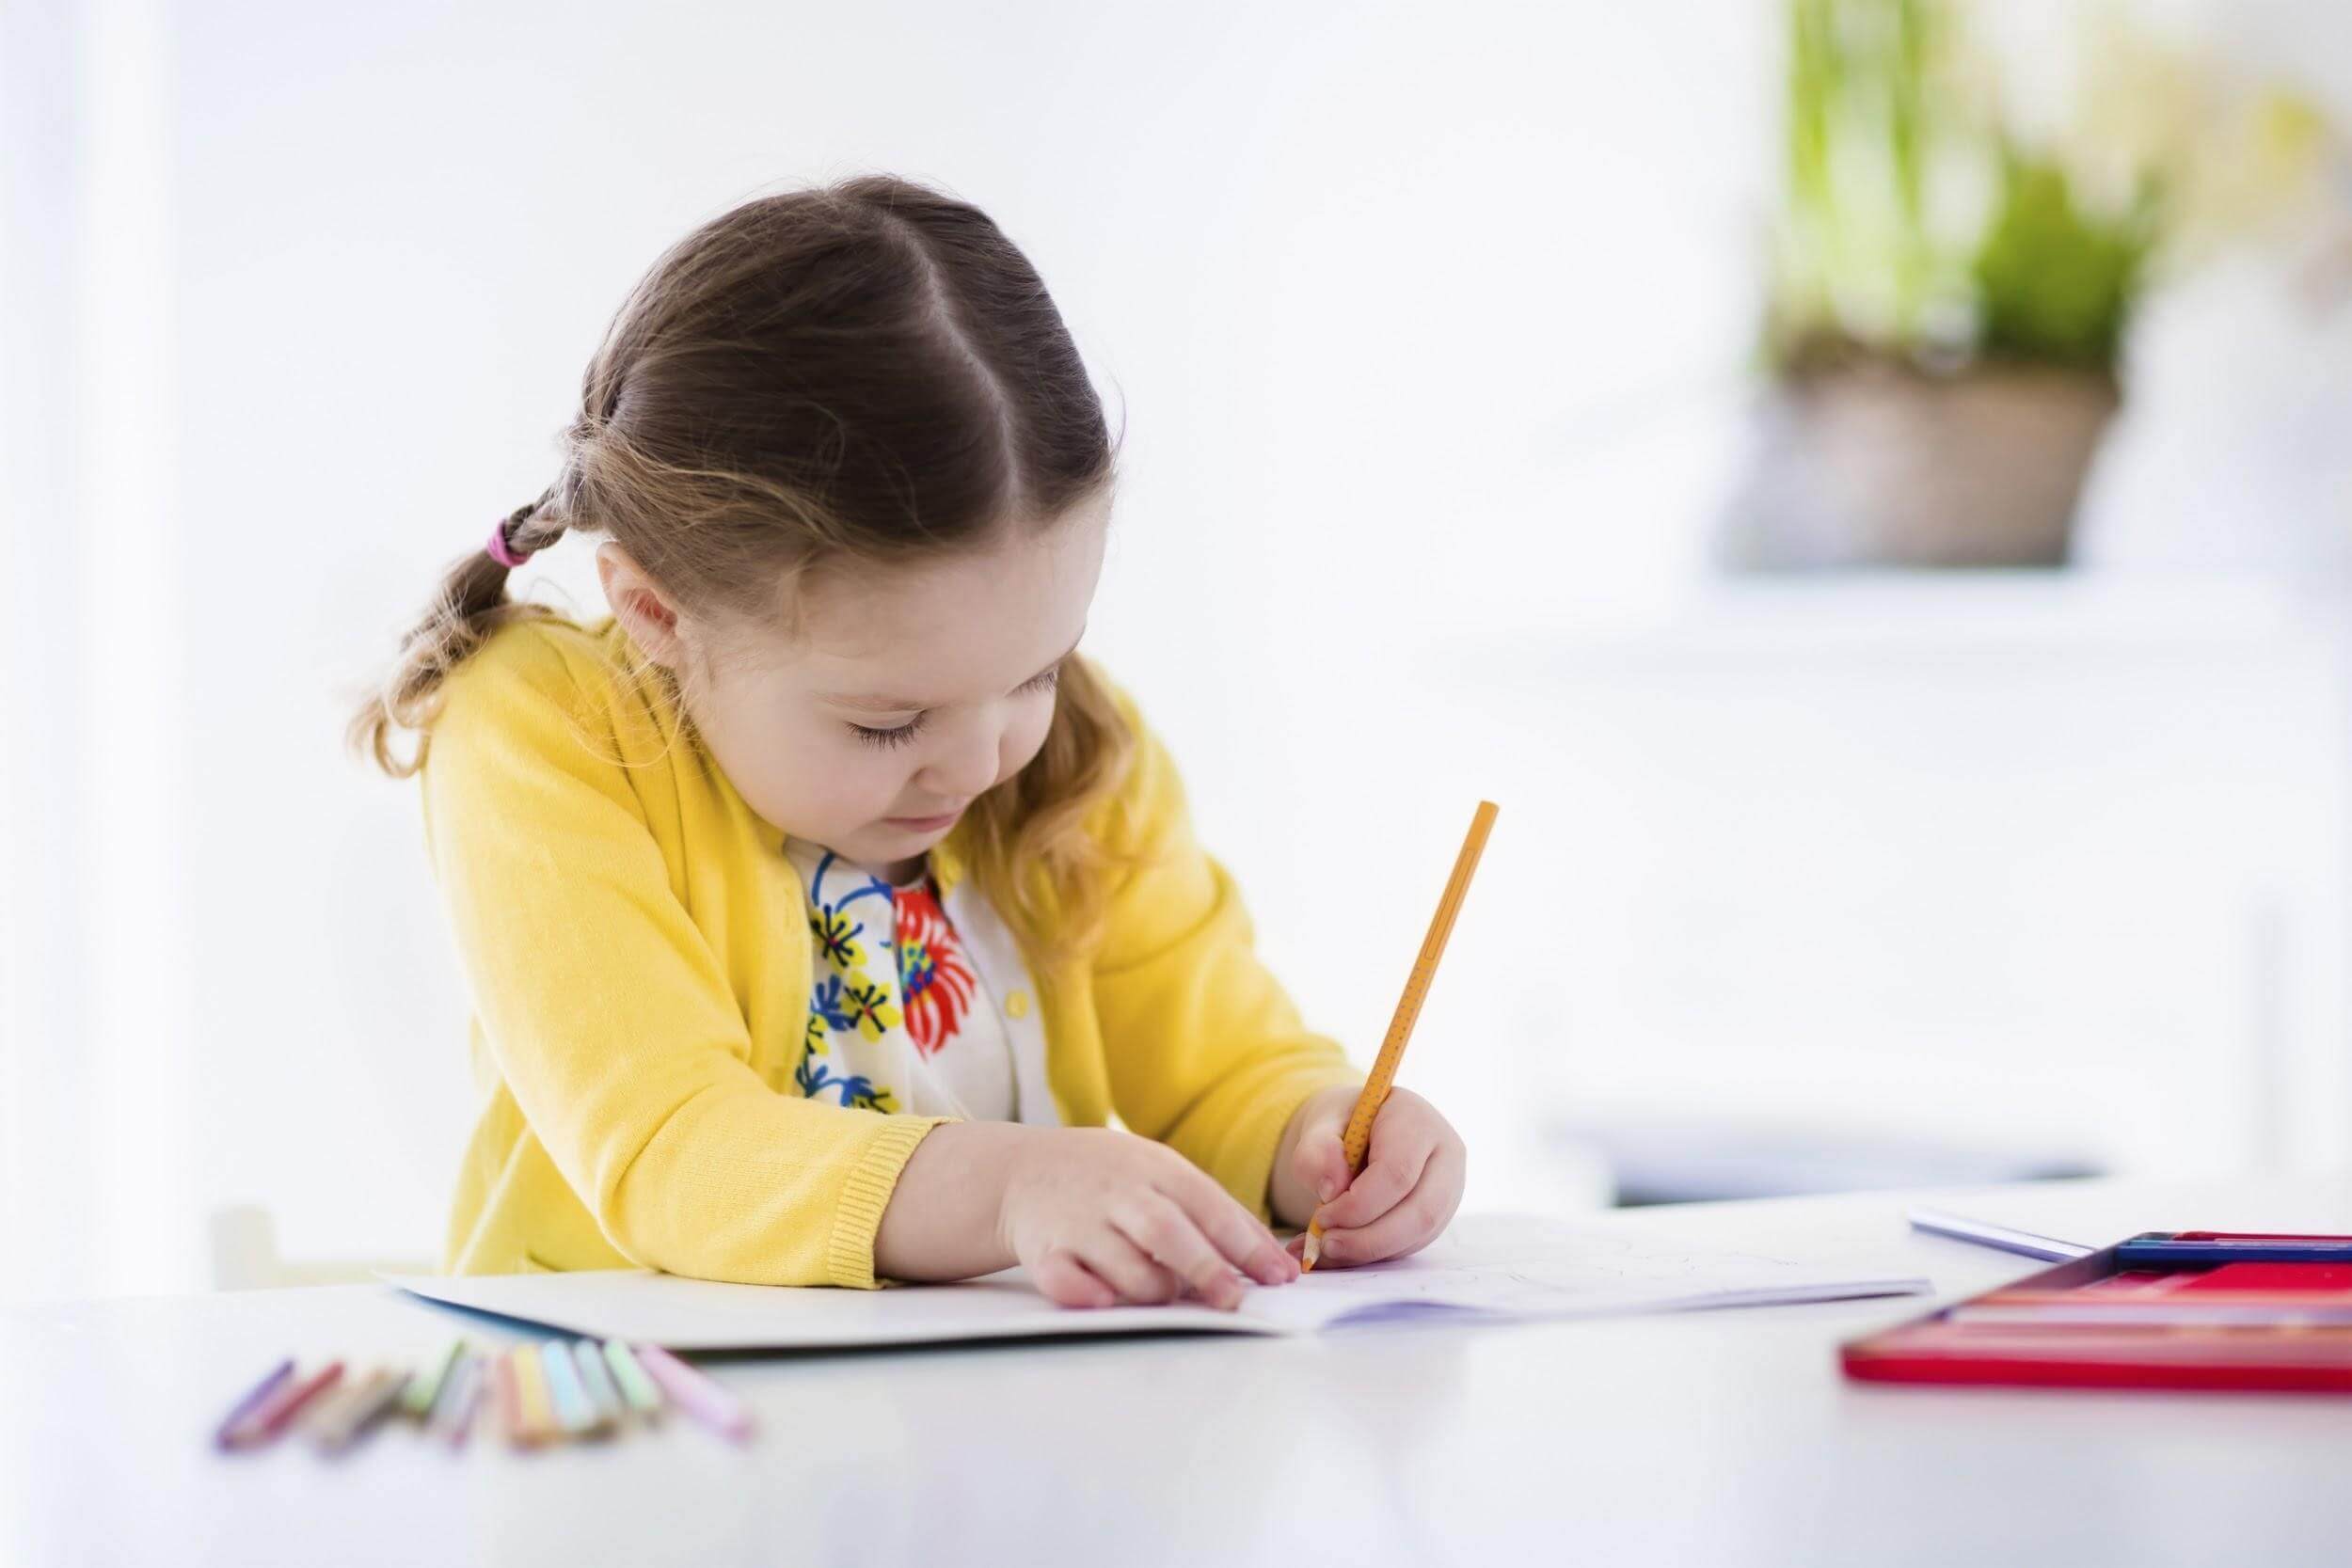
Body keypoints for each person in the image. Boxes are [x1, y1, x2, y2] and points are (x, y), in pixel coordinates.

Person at [349, 175, 1465, 1309]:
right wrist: (1010, 1187)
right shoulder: (550, 727)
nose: (982, 762)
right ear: (659, 616)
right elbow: (670, 1144)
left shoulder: (1076, 753)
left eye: (1039, 668)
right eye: (888, 722)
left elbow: (1220, 1062)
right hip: (646, 1420)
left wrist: (1316, 1132)